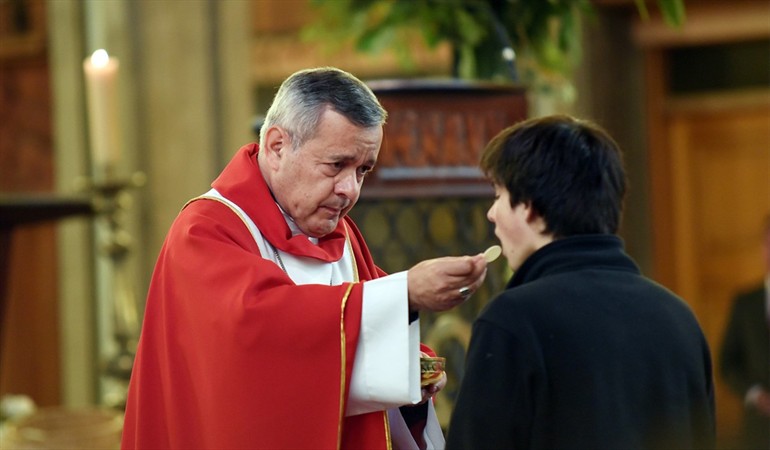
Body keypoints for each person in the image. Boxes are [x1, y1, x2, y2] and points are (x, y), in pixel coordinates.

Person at [121, 67, 488, 449]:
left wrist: (411, 364)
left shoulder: (339, 234)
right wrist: (405, 292)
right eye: (336, 165)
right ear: (278, 146)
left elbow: (363, 328)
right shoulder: (206, 230)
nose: (349, 190)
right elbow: (256, 337)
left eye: (363, 171)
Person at [445, 115, 716, 449]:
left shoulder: (513, 320)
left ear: (529, 206)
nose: (491, 213)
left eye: (499, 194)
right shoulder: (679, 318)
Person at [719, 215, 770, 449]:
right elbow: (727, 363)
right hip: (757, 430)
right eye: (768, 243)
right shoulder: (745, 303)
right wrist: (756, 395)